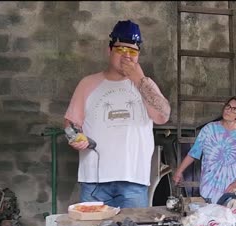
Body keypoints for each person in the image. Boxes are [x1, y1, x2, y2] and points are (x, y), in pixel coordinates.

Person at [64, 20, 171, 208]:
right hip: (94, 181)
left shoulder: (146, 85)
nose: (127, 57)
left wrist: (138, 78)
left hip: (134, 180)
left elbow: (163, 116)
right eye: (121, 50)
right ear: (109, 50)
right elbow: (70, 124)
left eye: (132, 51)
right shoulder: (88, 84)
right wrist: (74, 137)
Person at [172, 96, 236, 203]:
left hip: (233, 192)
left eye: (234, 109)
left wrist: (235, 185)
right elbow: (193, 153)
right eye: (228, 106)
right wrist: (179, 171)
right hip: (209, 190)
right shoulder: (209, 129)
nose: (228, 110)